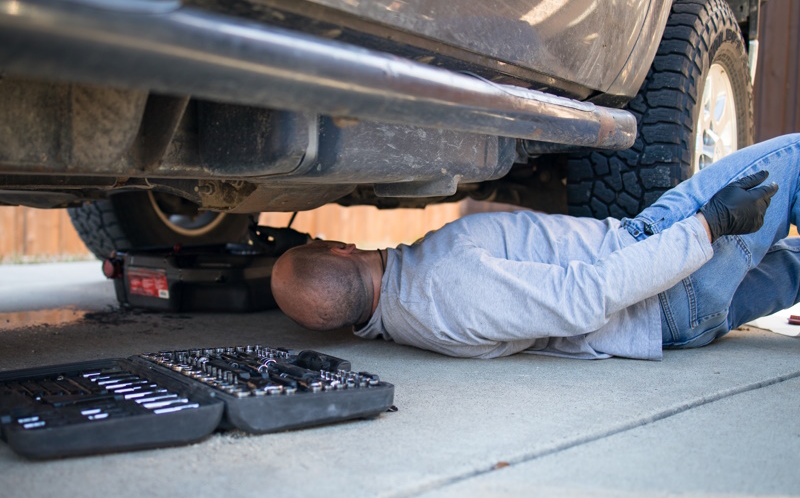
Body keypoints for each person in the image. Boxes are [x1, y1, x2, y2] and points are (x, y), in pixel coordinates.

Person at [271, 134, 800, 360]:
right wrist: (709, 225)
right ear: (341, 248)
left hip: (678, 311)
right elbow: (584, 297)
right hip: (668, 279)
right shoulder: (442, 288)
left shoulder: (407, 304)